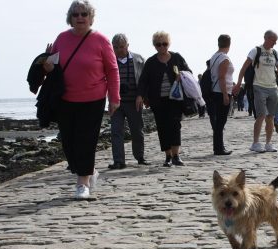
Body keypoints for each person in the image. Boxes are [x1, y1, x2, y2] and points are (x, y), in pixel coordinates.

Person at [43, 0, 120, 200]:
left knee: (86, 141)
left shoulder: (101, 40)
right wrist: (47, 66)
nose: (80, 18)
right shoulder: (61, 38)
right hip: (65, 99)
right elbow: (53, 67)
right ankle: (89, 171)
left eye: (84, 14)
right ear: (70, 18)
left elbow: (112, 70)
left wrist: (114, 98)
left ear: (90, 17)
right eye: (76, 14)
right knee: (68, 143)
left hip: (93, 99)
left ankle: (82, 183)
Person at [233, 30, 278, 153]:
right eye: (273, 40)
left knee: (271, 116)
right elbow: (244, 68)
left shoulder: (275, 53)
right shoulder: (256, 51)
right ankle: (255, 143)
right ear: (266, 38)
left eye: (276, 41)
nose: (275, 43)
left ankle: (268, 143)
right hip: (258, 86)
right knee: (261, 115)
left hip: (273, 87)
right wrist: (239, 83)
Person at [137, 31, 191, 167]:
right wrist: (140, 96)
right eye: (158, 44)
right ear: (154, 45)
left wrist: (182, 75)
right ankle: (167, 156)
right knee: (162, 127)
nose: (161, 47)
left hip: (176, 99)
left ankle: (176, 156)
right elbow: (144, 81)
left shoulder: (177, 58)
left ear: (169, 44)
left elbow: (189, 72)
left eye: (164, 44)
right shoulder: (150, 62)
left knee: (175, 126)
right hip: (158, 100)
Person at [108, 33, 149, 170]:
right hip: (116, 102)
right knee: (116, 131)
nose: (119, 50)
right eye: (116, 47)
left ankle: (140, 157)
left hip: (134, 102)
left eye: (122, 47)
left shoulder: (139, 59)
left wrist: (142, 96)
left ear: (127, 46)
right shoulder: (109, 61)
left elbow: (144, 81)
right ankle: (119, 161)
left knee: (137, 131)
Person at [209, 34, 234, 156]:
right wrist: (225, 95)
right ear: (229, 44)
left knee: (218, 121)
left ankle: (218, 146)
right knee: (221, 122)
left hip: (215, 91)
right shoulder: (224, 58)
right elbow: (222, 77)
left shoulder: (214, 56)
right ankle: (219, 148)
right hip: (221, 92)